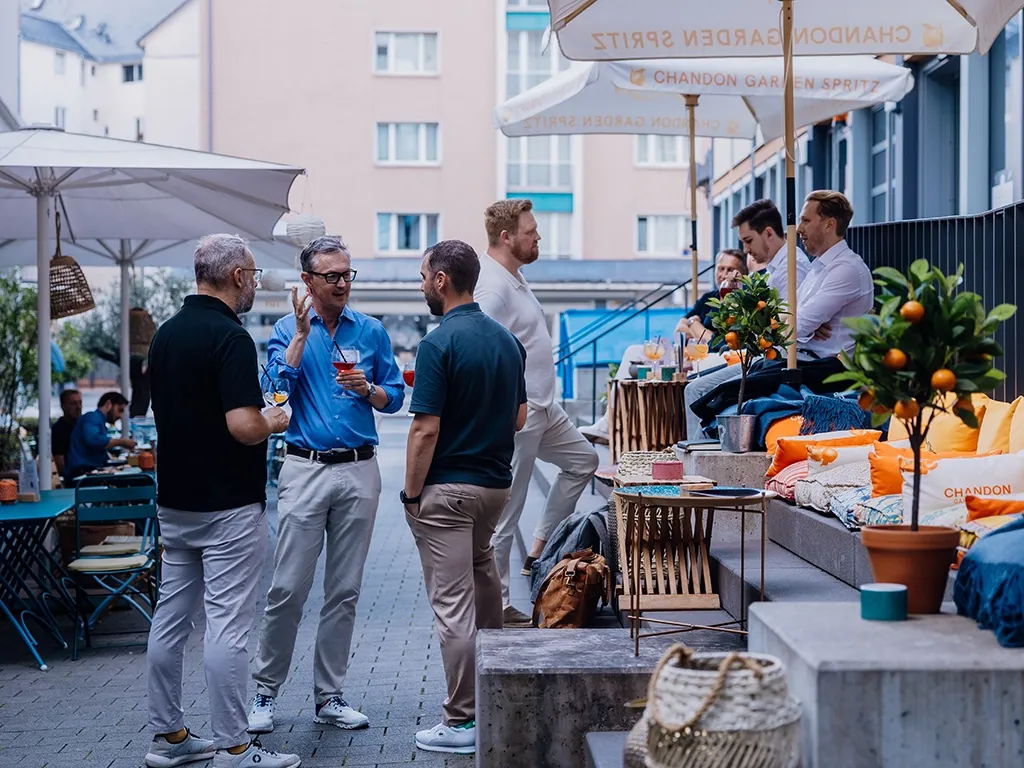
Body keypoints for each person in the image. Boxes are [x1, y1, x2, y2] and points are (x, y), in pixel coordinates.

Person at [144, 234, 298, 768]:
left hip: (176, 503)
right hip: (228, 505)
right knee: (228, 625)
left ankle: (168, 738)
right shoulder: (230, 338)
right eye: (253, 274)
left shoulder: (165, 335)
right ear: (235, 276)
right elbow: (243, 425)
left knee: (170, 620)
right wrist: (275, 419)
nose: (255, 283)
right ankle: (234, 745)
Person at [248, 235, 405, 734]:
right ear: (309, 281)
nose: (342, 284)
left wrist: (371, 389)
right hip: (305, 467)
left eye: (347, 274)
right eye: (332, 276)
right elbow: (272, 394)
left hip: (360, 469)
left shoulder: (373, 331)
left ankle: (329, 696)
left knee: (344, 591)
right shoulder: (284, 330)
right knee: (287, 588)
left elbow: (397, 397)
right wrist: (297, 335)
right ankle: (264, 693)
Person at [404, 240, 528, 755]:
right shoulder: (505, 340)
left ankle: (461, 722)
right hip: (494, 487)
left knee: (452, 606)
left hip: (448, 492)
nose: (420, 284)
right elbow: (520, 417)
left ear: (440, 280)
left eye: (422, 275)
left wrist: (412, 496)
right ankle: (493, 701)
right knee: (484, 586)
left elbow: (424, 430)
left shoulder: (438, 344)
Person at [475, 199, 599, 628]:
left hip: (547, 409)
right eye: (531, 231)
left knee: (584, 461)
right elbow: (479, 349)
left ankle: (542, 544)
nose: (538, 237)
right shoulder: (491, 287)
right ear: (507, 237)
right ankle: (498, 604)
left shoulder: (515, 277)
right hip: (520, 415)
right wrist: (507, 409)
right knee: (505, 513)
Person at [682, 190, 873, 439]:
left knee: (702, 393)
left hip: (815, 368)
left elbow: (791, 327)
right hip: (794, 360)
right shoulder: (819, 268)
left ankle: (700, 467)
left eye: (805, 220)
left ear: (829, 224)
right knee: (700, 390)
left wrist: (794, 323)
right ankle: (699, 462)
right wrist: (795, 322)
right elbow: (791, 320)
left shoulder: (843, 269)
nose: (797, 228)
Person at [580, 250, 748, 445]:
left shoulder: (740, 304)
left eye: (731, 269)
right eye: (721, 268)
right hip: (689, 355)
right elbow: (680, 327)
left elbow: (720, 344)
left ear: (741, 274)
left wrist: (695, 326)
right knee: (634, 351)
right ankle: (608, 424)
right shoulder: (708, 298)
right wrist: (698, 331)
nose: (724, 274)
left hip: (713, 362)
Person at [731, 199, 811, 296]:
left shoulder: (793, 267)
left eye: (749, 241)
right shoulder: (777, 266)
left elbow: (789, 311)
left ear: (769, 233)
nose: (745, 250)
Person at [63, 391, 135, 481]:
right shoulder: (92, 417)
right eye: (120, 410)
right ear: (108, 404)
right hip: (81, 475)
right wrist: (121, 442)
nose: (120, 416)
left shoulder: (98, 421)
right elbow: (93, 440)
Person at [52, 388, 82, 478]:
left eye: (80, 403)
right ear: (63, 406)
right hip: (75, 479)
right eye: (73, 403)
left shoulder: (82, 426)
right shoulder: (59, 430)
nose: (78, 407)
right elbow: (60, 464)